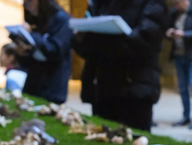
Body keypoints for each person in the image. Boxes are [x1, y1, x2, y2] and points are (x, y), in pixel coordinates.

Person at [72, 0, 169, 132]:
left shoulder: (152, 3)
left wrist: (99, 41)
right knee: (103, 143)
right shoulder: (100, 3)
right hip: (103, 89)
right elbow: (87, 49)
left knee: (133, 142)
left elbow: (145, 41)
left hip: (134, 89)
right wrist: (80, 38)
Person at [17, 0, 73, 104]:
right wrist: (22, 53)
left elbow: (56, 50)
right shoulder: (35, 20)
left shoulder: (61, 19)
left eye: (30, 1)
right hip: (33, 85)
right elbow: (30, 60)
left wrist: (31, 36)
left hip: (52, 87)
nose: (27, 4)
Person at [167, 0, 192, 129]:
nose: (176, 6)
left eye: (178, 3)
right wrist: (170, 33)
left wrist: (185, 34)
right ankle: (186, 116)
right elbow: (170, 28)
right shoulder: (175, 12)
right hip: (179, 55)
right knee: (183, 88)